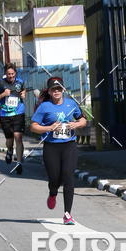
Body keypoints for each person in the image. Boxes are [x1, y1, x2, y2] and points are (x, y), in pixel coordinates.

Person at [30, 76, 86, 225]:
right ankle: (53, 192)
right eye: (53, 89)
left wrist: (76, 125)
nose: (56, 91)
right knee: (54, 178)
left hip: (69, 145)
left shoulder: (71, 104)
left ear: (63, 90)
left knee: (68, 176)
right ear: (49, 91)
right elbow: (33, 126)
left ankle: (67, 214)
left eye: (59, 89)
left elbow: (83, 120)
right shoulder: (44, 107)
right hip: (51, 147)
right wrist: (48, 128)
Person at [0, 63, 26, 174]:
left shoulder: (20, 82)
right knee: (9, 140)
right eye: (8, 74)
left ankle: (19, 163)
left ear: (15, 73)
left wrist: (23, 95)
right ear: (5, 74)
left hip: (18, 113)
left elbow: (23, 92)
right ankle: (10, 150)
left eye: (12, 74)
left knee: (18, 137)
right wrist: (2, 95)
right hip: (5, 115)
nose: (11, 76)